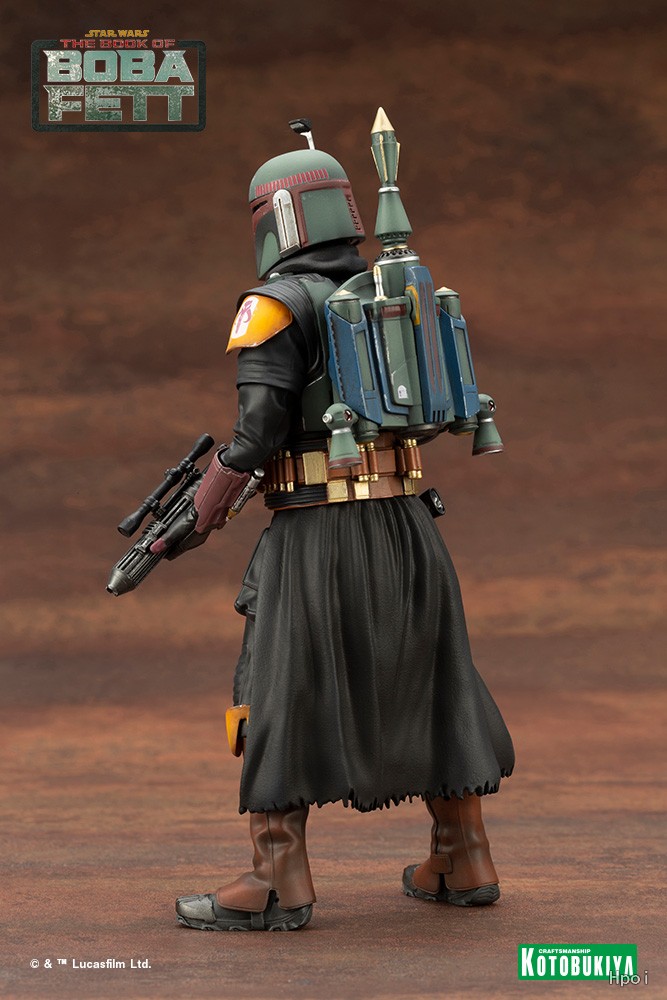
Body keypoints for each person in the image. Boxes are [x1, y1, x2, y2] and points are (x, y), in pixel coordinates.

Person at [166, 112, 514, 932]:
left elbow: (255, 434)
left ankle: (275, 879)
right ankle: (461, 856)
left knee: (276, 687)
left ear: (276, 218)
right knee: (432, 679)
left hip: (316, 533)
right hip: (406, 524)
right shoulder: (396, 291)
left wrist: (199, 513)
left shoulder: (273, 305)